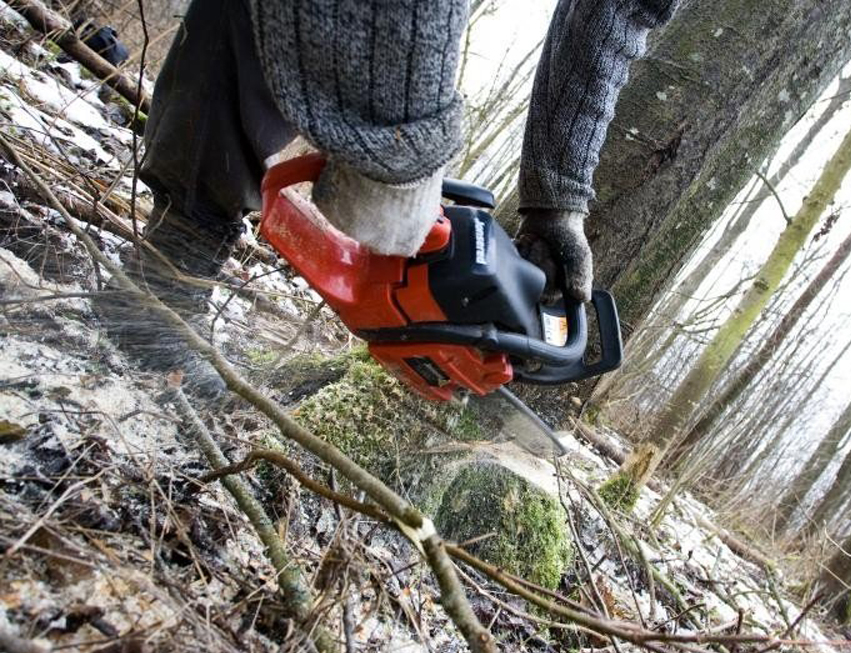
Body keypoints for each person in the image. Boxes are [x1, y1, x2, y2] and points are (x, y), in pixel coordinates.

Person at [106, 0, 675, 394]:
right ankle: (167, 271)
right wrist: (395, 152)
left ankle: (170, 265)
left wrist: (559, 201)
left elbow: (616, 12)